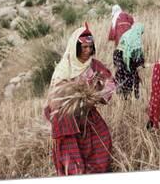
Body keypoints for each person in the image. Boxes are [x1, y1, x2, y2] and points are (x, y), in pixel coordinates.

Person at [43, 23, 116, 175]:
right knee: (73, 158)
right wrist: (74, 101)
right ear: (75, 48)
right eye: (84, 48)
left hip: (88, 115)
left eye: (90, 47)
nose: (88, 51)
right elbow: (54, 99)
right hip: (68, 120)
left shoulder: (94, 65)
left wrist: (98, 95)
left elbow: (110, 82)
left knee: (103, 139)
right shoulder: (63, 69)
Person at [113, 23, 145, 99]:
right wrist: (141, 64)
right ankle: (130, 96)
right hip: (127, 57)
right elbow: (137, 54)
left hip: (118, 55)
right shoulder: (137, 37)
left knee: (120, 74)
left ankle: (120, 95)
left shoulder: (126, 34)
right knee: (130, 76)